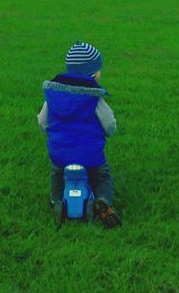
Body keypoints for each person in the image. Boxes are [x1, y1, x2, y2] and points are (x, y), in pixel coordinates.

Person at [37, 42, 121, 229]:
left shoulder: (54, 95)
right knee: (101, 175)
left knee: (57, 173)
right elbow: (109, 124)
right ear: (94, 74)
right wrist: (110, 132)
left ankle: (56, 200)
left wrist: (49, 134)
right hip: (90, 154)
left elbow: (43, 121)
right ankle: (103, 200)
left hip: (60, 153)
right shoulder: (94, 97)